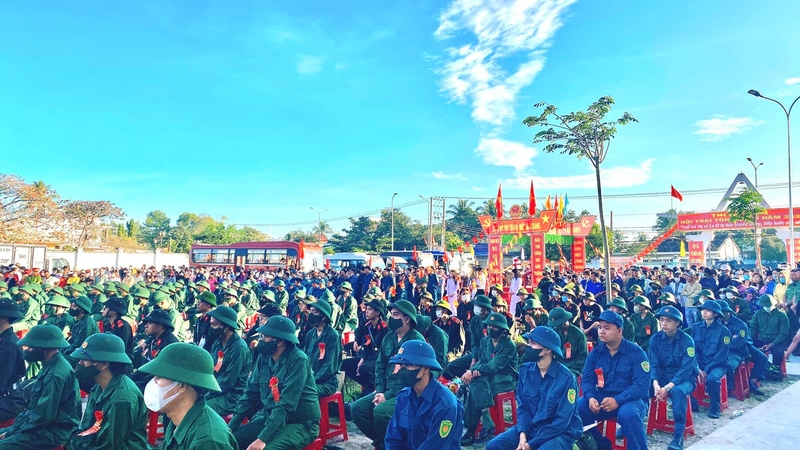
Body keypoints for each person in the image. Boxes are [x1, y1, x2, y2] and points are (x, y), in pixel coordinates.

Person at [229, 316, 320, 450]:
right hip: (271, 417)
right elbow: (249, 394)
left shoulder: (298, 360)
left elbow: (286, 405)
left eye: (265, 336)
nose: (261, 340)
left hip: (300, 423)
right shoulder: (264, 357)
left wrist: (262, 439)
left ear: (280, 341)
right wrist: (230, 427)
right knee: (230, 440)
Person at [487, 327, 583, 450]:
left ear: (548, 349)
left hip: (559, 433)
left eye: (533, 343)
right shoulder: (525, 371)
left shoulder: (567, 379)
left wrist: (531, 444)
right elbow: (523, 408)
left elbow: (562, 421)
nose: (528, 347)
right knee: (494, 445)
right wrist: (522, 435)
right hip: (531, 428)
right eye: (529, 342)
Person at [351, 300, 423, 449]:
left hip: (407, 392)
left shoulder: (416, 342)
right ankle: (383, 442)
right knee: (357, 408)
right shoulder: (389, 338)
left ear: (406, 319)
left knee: (381, 412)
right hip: (386, 389)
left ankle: (395, 444)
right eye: (391, 314)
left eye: (395, 315)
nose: (391, 318)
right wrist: (379, 390)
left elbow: (412, 377)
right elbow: (380, 366)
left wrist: (387, 395)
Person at [137, 343, 238, 449]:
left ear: (181, 386)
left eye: (159, 377)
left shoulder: (207, 441)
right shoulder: (177, 419)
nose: (153, 383)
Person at [578, 311, 650, 450]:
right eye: (600, 327)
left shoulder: (636, 353)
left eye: (607, 328)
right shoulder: (596, 353)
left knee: (629, 414)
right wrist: (591, 397)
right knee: (579, 406)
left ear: (619, 331)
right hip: (603, 397)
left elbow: (641, 386)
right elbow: (587, 378)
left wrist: (617, 400)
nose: (601, 331)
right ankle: (601, 445)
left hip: (630, 400)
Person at [0, 324, 80, 448]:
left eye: (31, 347)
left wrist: (11, 432)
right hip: (40, 427)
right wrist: (13, 429)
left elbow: (43, 416)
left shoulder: (56, 374)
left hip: (52, 432)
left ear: (45, 349)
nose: (27, 350)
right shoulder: (50, 365)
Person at [67, 333, 148, 449]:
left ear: (104, 364)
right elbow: (88, 427)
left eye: (85, 360)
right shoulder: (99, 386)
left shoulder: (122, 398)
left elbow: (110, 445)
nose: (80, 364)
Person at [385, 341, 464, 450]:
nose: (402, 370)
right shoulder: (403, 396)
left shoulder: (445, 404)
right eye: (401, 365)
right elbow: (393, 439)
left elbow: (435, 446)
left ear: (426, 368)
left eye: (408, 365)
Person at [461, 313, 518, 445]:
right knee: (478, 382)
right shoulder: (485, 341)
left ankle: (472, 430)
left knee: (477, 383)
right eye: (489, 326)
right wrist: (472, 370)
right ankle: (485, 421)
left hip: (506, 377)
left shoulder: (509, 345)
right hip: (487, 375)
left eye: (495, 327)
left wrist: (473, 372)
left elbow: (494, 366)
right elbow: (482, 361)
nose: (491, 328)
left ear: (502, 330)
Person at [648, 306, 699, 450]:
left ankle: (678, 436)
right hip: (662, 377)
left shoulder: (687, 341)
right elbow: (654, 364)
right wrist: (655, 383)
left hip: (684, 379)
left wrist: (668, 387)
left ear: (677, 323)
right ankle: (630, 425)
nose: (664, 323)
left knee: (678, 392)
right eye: (662, 320)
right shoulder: (655, 339)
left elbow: (686, 370)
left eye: (668, 320)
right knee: (641, 386)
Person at [205, 305, 252, 416]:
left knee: (200, 408)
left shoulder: (239, 349)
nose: (211, 328)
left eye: (214, 325)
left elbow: (227, 382)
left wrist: (205, 395)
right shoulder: (218, 343)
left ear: (226, 326)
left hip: (232, 396)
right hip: (216, 389)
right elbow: (210, 369)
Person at [688, 300, 730, 418]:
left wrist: (706, 369)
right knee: (685, 375)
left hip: (717, 364)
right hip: (699, 363)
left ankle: (715, 408)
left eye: (708, 310)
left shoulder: (724, 331)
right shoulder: (696, 328)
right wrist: (697, 367)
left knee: (712, 379)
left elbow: (721, 355)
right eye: (703, 310)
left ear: (715, 314)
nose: (704, 312)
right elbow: (693, 350)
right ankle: (693, 404)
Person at [716, 300, 766, 396]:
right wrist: (729, 340)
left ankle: (751, 381)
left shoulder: (740, 324)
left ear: (727, 312)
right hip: (722, 350)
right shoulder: (717, 322)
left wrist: (724, 343)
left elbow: (738, 344)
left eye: (722, 312)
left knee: (761, 358)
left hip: (741, 348)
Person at [343, 298, 388, 396]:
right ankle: (367, 386)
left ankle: (373, 389)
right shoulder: (368, 327)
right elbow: (367, 345)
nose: (366, 312)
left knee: (364, 368)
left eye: (370, 309)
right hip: (369, 356)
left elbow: (384, 350)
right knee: (345, 364)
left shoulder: (385, 328)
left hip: (380, 358)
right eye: (366, 309)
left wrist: (365, 361)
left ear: (377, 313)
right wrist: (362, 359)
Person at [301, 299, 343, 398]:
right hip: (309, 379)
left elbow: (329, 367)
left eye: (314, 312)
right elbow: (305, 358)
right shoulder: (310, 334)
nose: (311, 315)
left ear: (323, 316)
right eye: (311, 311)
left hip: (326, 383)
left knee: (302, 392)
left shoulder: (333, 336)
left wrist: (311, 380)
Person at [132, 309, 179, 390]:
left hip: (163, 382)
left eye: (150, 323)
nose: (145, 326)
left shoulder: (169, 344)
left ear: (160, 326)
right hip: (152, 375)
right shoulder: (154, 339)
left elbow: (160, 372)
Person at [0, 299, 25, 422]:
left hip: (8, 400)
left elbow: (2, 380)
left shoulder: (9, 345)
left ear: (4, 318)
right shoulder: (3, 339)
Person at [750, 294, 790, 366]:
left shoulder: (782, 315)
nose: (767, 307)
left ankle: (775, 369)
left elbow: (783, 333)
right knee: (751, 350)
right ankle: (758, 369)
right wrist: (749, 339)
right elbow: (753, 328)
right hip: (762, 340)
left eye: (768, 306)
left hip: (777, 341)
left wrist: (772, 344)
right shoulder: (758, 314)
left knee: (778, 353)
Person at [549, 307, 588, 378]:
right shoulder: (554, 332)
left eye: (560, 324)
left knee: (566, 378)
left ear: (565, 321)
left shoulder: (579, 335)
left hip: (573, 367)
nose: (558, 327)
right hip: (557, 364)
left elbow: (582, 358)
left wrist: (566, 365)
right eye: (556, 325)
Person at [65, 295, 100, 359]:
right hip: (79, 352)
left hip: (86, 356)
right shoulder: (79, 320)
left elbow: (79, 345)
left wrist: (64, 352)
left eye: (75, 306)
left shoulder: (87, 323)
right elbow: (72, 340)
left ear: (82, 310)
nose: (71, 306)